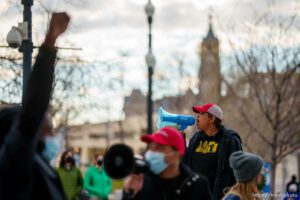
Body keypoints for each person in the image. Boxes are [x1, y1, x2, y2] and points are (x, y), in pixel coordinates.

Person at [0, 13, 70, 200]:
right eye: (47, 130)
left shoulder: (38, 163)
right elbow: (31, 112)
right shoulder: (13, 163)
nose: (52, 137)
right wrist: (49, 43)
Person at [123, 126, 212, 200]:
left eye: (159, 147)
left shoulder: (197, 184)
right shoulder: (141, 180)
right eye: (150, 147)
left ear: (176, 154)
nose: (151, 152)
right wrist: (130, 193)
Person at [183, 103, 243, 200]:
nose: (197, 116)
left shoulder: (230, 140)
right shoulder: (195, 139)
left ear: (212, 119)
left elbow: (236, 173)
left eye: (202, 113)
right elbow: (185, 164)